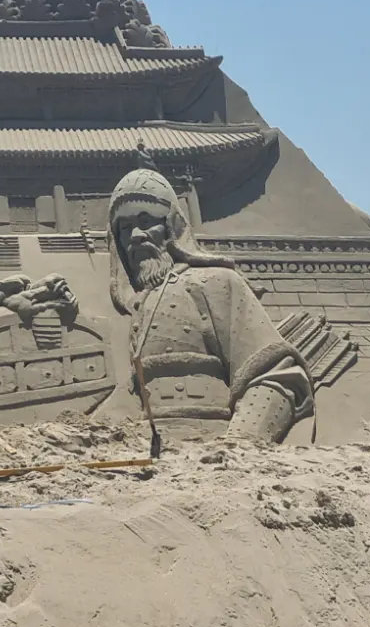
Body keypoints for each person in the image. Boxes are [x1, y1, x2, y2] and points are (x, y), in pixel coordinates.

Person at [107, 166, 314, 443]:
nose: (134, 236)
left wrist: (240, 443)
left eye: (146, 222)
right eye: (124, 228)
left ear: (172, 226)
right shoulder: (141, 304)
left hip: (209, 442)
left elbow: (277, 375)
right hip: (147, 446)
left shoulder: (215, 282)